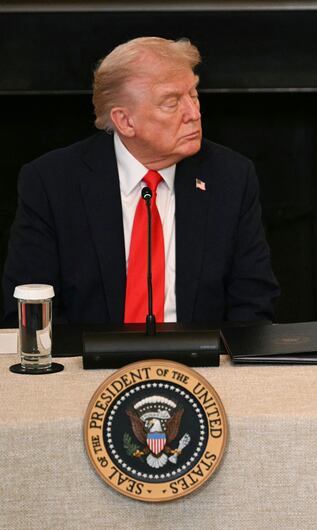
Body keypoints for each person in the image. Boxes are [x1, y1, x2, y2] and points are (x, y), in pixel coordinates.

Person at [2, 37, 280, 325]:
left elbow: (254, 302)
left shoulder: (230, 177)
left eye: (193, 95)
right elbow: (29, 307)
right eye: (172, 103)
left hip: (200, 366)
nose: (194, 114)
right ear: (125, 121)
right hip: (87, 365)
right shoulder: (52, 182)